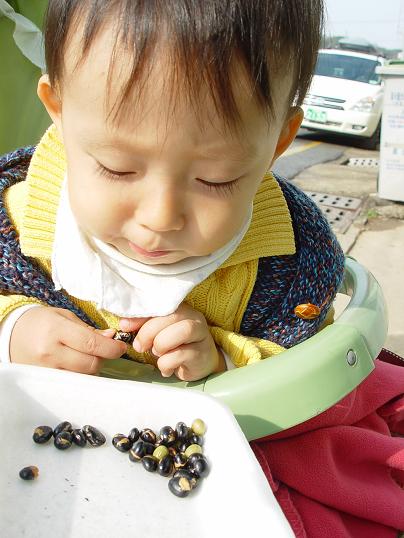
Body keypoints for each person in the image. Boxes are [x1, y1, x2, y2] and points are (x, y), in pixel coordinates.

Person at [0, 2, 403, 537]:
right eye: (118, 168)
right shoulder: (16, 215)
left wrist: (223, 357)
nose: (160, 219)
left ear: (277, 142)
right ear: (58, 107)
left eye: (215, 179)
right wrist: (13, 326)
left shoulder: (291, 259)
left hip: (212, 452)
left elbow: (300, 368)